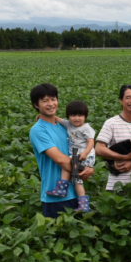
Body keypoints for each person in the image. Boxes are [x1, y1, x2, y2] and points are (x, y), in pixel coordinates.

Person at [29, 83, 94, 219]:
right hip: (54, 198)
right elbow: (60, 159)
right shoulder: (38, 130)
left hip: (76, 193)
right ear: (36, 105)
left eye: (53, 99)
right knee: (57, 238)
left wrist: (90, 169)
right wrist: (83, 170)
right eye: (44, 101)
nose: (51, 104)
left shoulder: (67, 127)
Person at [45, 101, 95, 212]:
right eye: (73, 115)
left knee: (68, 168)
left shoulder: (86, 128)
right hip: (76, 155)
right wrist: (42, 116)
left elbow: (91, 142)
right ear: (69, 117)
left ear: (85, 116)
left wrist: (85, 153)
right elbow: (58, 119)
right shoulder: (69, 125)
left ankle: (63, 189)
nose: (76, 118)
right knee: (76, 180)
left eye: (80, 115)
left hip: (85, 155)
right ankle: (83, 204)